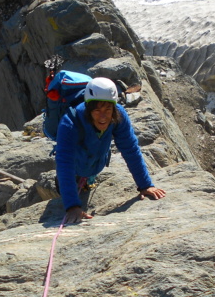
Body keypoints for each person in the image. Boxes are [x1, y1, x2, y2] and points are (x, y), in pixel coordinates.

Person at [55, 76, 166, 223]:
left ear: (114, 108)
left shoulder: (118, 115)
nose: (103, 116)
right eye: (97, 110)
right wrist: (72, 206)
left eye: (108, 109)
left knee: (89, 168)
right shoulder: (70, 122)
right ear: (88, 108)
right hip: (77, 163)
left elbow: (130, 149)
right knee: (74, 173)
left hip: (97, 161)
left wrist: (145, 185)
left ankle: (86, 178)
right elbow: (64, 162)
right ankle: (73, 181)